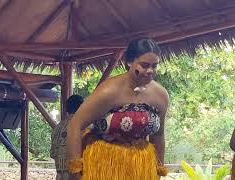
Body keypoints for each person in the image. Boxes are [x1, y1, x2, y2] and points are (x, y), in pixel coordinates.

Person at [67, 37, 169, 180]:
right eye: (144, 65)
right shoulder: (108, 92)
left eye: (155, 66)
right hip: (104, 164)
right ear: (129, 62)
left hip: (141, 167)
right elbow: (75, 125)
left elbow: (158, 135)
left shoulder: (160, 95)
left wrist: (158, 169)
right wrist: (75, 171)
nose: (150, 71)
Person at [51, 95, 84, 180]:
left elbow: (53, 154)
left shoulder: (57, 128)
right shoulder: (84, 126)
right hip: (78, 175)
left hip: (60, 176)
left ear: (66, 109)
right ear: (82, 107)